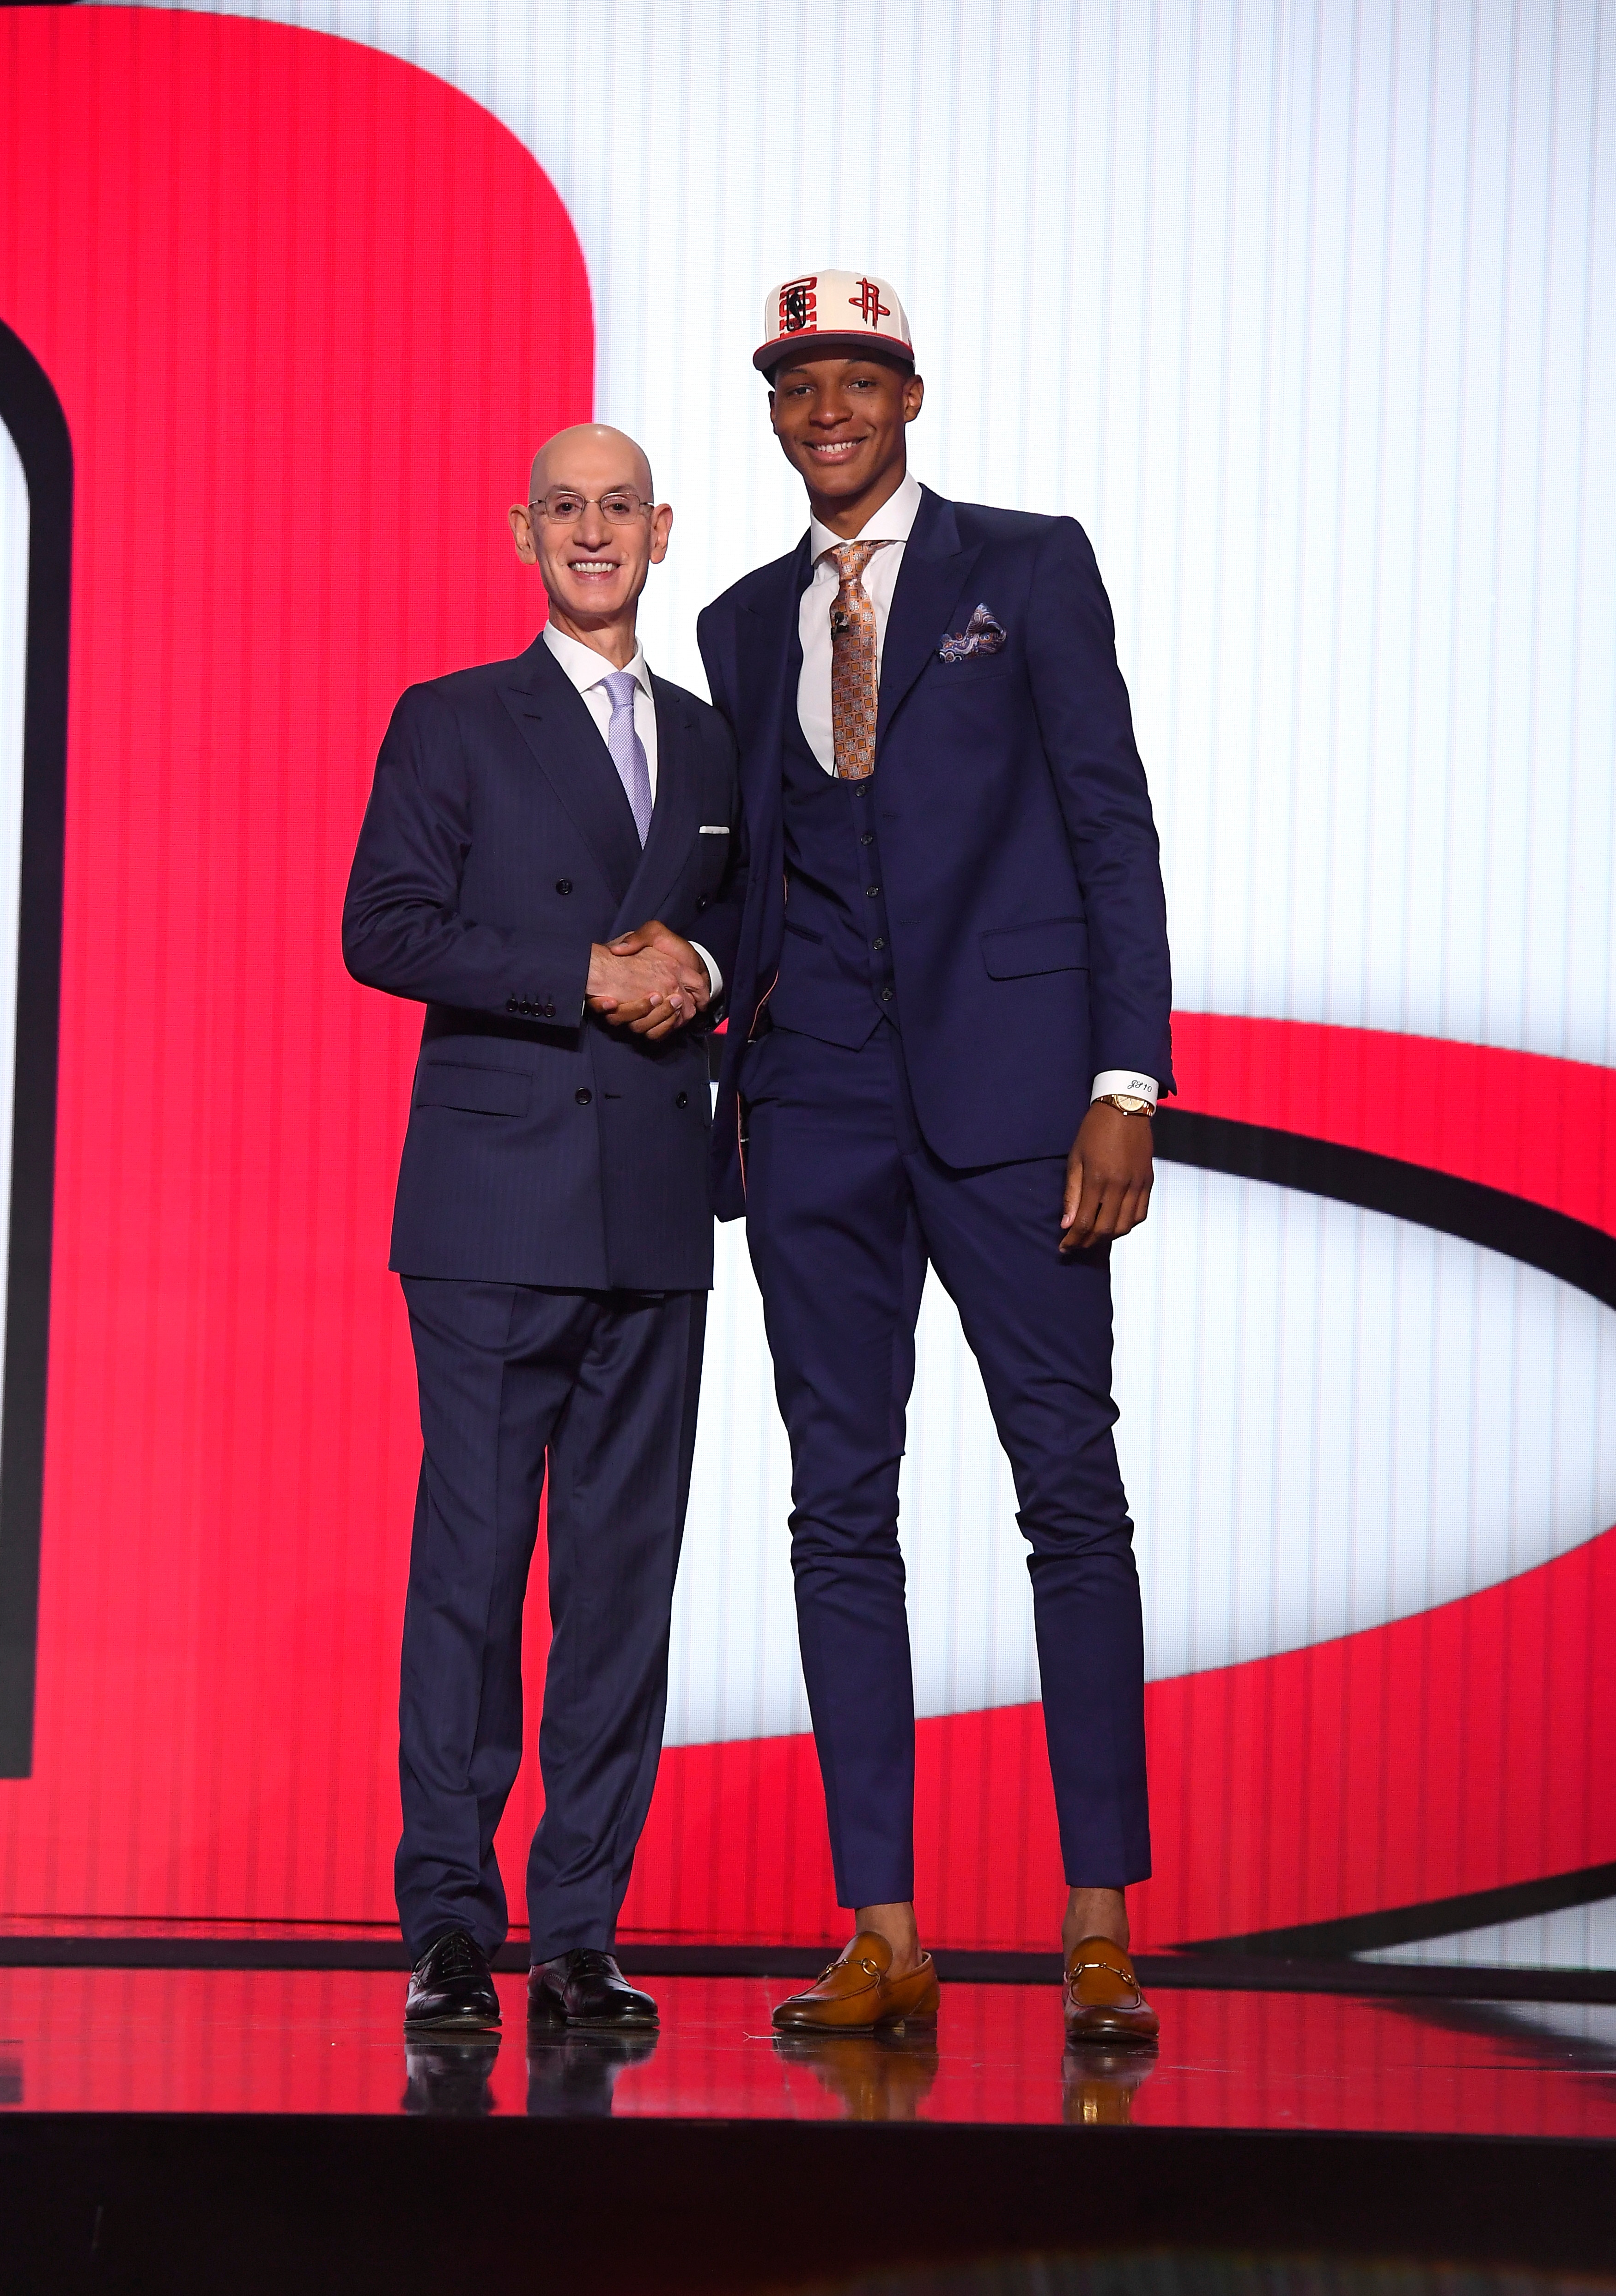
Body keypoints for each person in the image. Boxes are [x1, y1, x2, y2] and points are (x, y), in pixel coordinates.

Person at [697, 273, 1171, 2048]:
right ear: (773, 410)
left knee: (1068, 1488)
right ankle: (883, 1931)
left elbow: (1109, 815)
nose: (828, 408)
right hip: (814, 1102)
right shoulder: (748, 624)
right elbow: (746, 875)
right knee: (840, 1509)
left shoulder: (1026, 566)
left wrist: (1125, 1077)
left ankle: (1098, 1918)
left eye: (857, 381)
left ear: (911, 397)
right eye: (798, 382)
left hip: (1015, 1100)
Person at [345, 424, 743, 2035]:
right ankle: (450, 1917)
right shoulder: (449, 720)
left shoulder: (718, 746)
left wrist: (700, 974)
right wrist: (585, 972)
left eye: (618, 508)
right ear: (522, 533)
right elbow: (384, 925)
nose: (593, 532)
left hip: (654, 1213)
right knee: (472, 1572)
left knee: (623, 1587)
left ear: (663, 530)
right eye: (564, 509)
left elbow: (751, 926)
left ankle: (580, 1927)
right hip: (493, 1210)